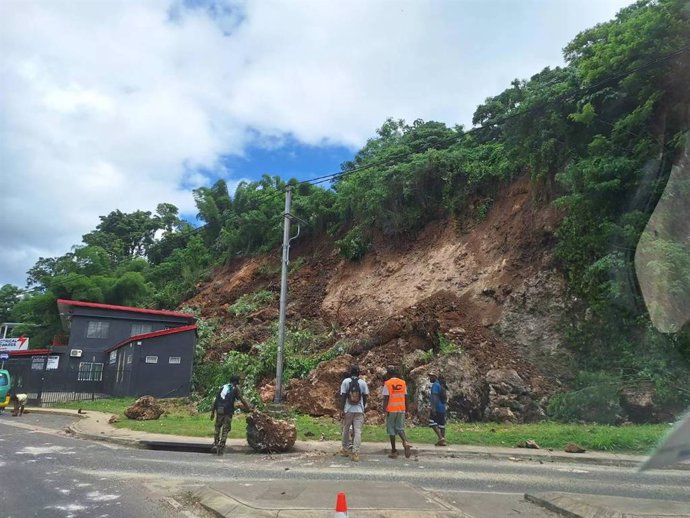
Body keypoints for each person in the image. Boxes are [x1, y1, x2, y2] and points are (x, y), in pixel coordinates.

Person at [210, 375, 252, 455]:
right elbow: (241, 399)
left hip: (219, 409)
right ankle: (221, 446)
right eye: (238, 381)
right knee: (225, 429)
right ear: (235, 381)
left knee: (217, 427)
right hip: (228, 410)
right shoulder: (235, 389)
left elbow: (216, 400)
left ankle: (215, 444)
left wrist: (212, 412)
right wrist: (248, 408)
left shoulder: (223, 387)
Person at [339, 364, 369, 462]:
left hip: (348, 409)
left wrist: (341, 409)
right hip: (359, 410)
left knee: (346, 429)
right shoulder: (363, 383)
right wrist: (363, 407)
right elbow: (365, 397)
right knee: (358, 431)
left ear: (350, 372)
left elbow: (343, 396)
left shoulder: (345, 381)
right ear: (359, 373)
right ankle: (356, 453)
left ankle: (345, 449)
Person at [381, 367, 412, 459]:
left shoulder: (387, 383)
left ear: (389, 374)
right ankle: (405, 442)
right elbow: (406, 397)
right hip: (401, 408)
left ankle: (394, 451)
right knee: (400, 428)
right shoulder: (403, 383)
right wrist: (407, 409)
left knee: (391, 430)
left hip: (391, 409)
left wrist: (384, 410)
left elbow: (386, 398)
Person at [428, 371, 447, 446]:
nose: (430, 377)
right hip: (442, 407)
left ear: (435, 377)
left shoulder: (435, 385)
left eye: (431, 376)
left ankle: (441, 438)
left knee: (432, 422)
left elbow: (434, 397)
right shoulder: (442, 385)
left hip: (437, 407)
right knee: (441, 424)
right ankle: (443, 441)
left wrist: (433, 408)